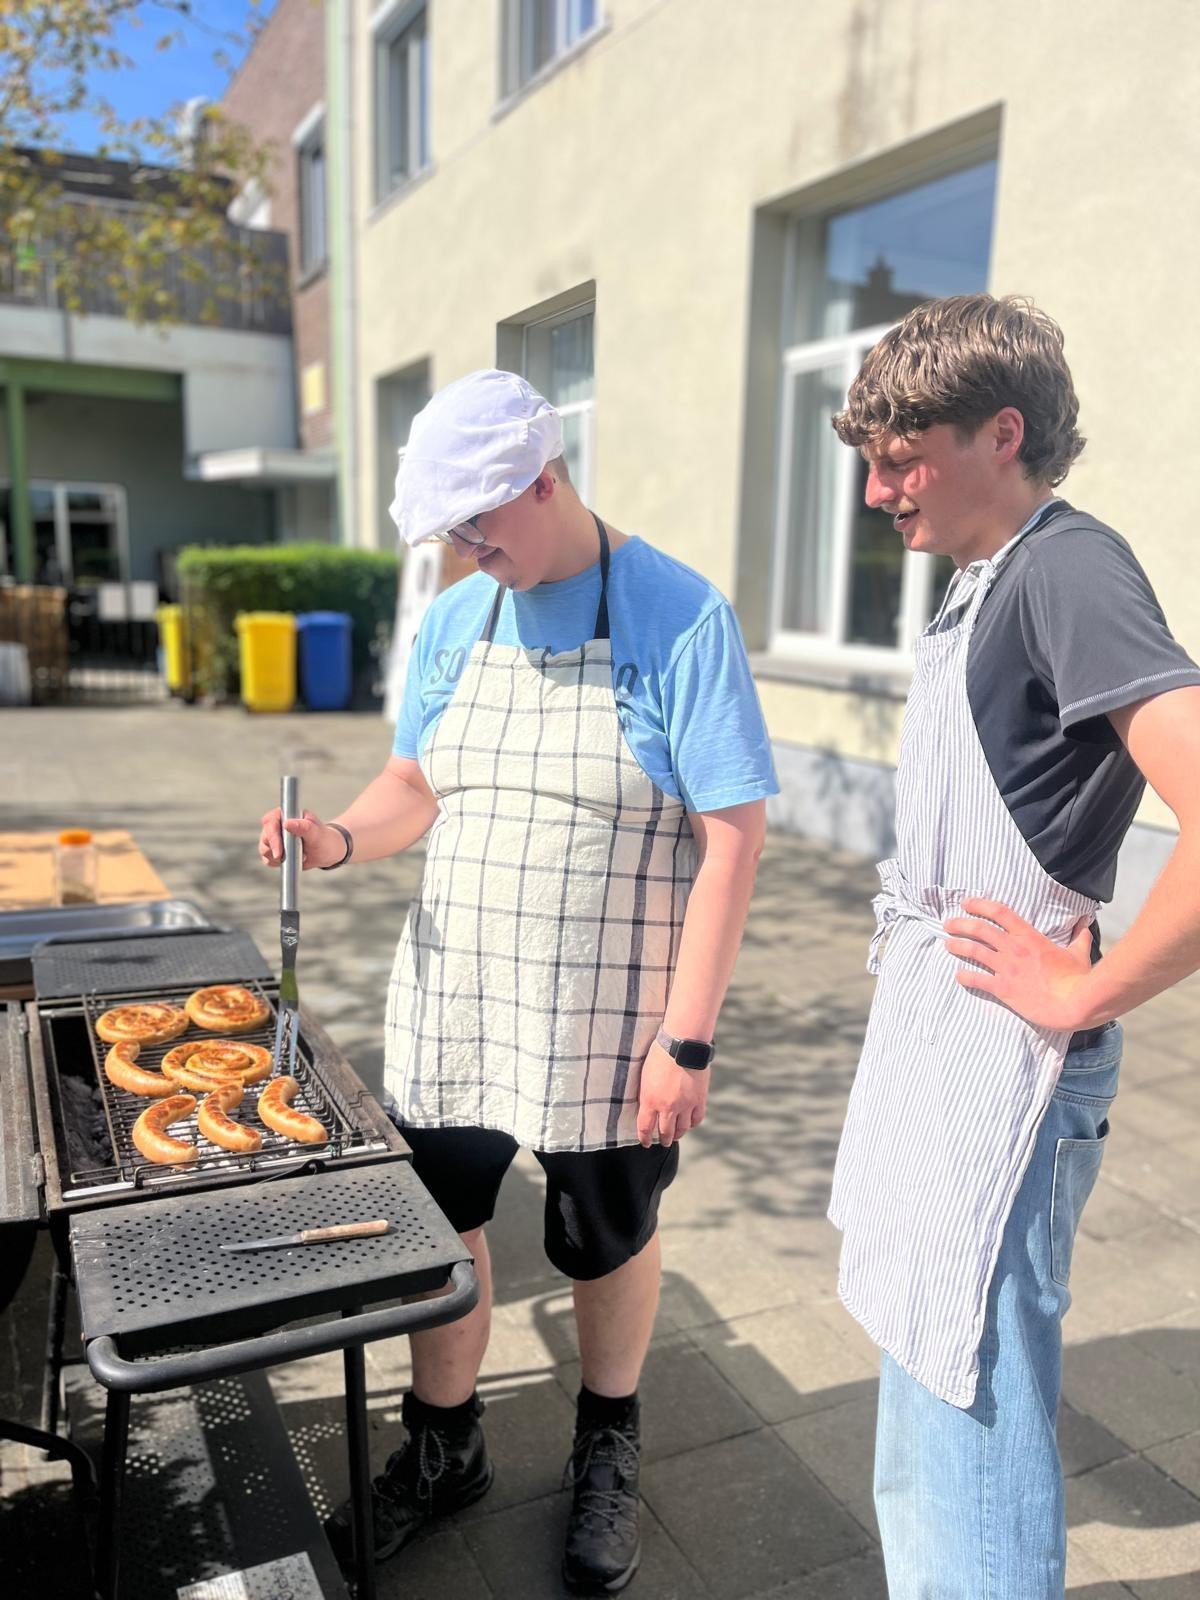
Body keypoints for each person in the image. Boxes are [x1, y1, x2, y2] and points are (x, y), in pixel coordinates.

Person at [258, 368, 777, 1595]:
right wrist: (336, 837)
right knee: (445, 1224)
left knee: (604, 1233)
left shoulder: (678, 617)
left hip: (611, 1017)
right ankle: (445, 1447)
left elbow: (735, 838)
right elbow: (415, 789)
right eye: (451, 535)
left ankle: (607, 1440)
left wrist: (686, 1039)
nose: (469, 552)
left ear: (547, 479)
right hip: (457, 999)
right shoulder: (457, 619)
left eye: (482, 527)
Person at [826, 293, 1200, 1598]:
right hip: (953, 1048)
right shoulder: (981, 583)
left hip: (1016, 1076)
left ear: (1004, 433)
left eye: (902, 456)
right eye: (868, 459)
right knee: (929, 1403)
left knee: (971, 1418)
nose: (879, 491)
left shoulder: (1067, 567)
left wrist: (1090, 984)